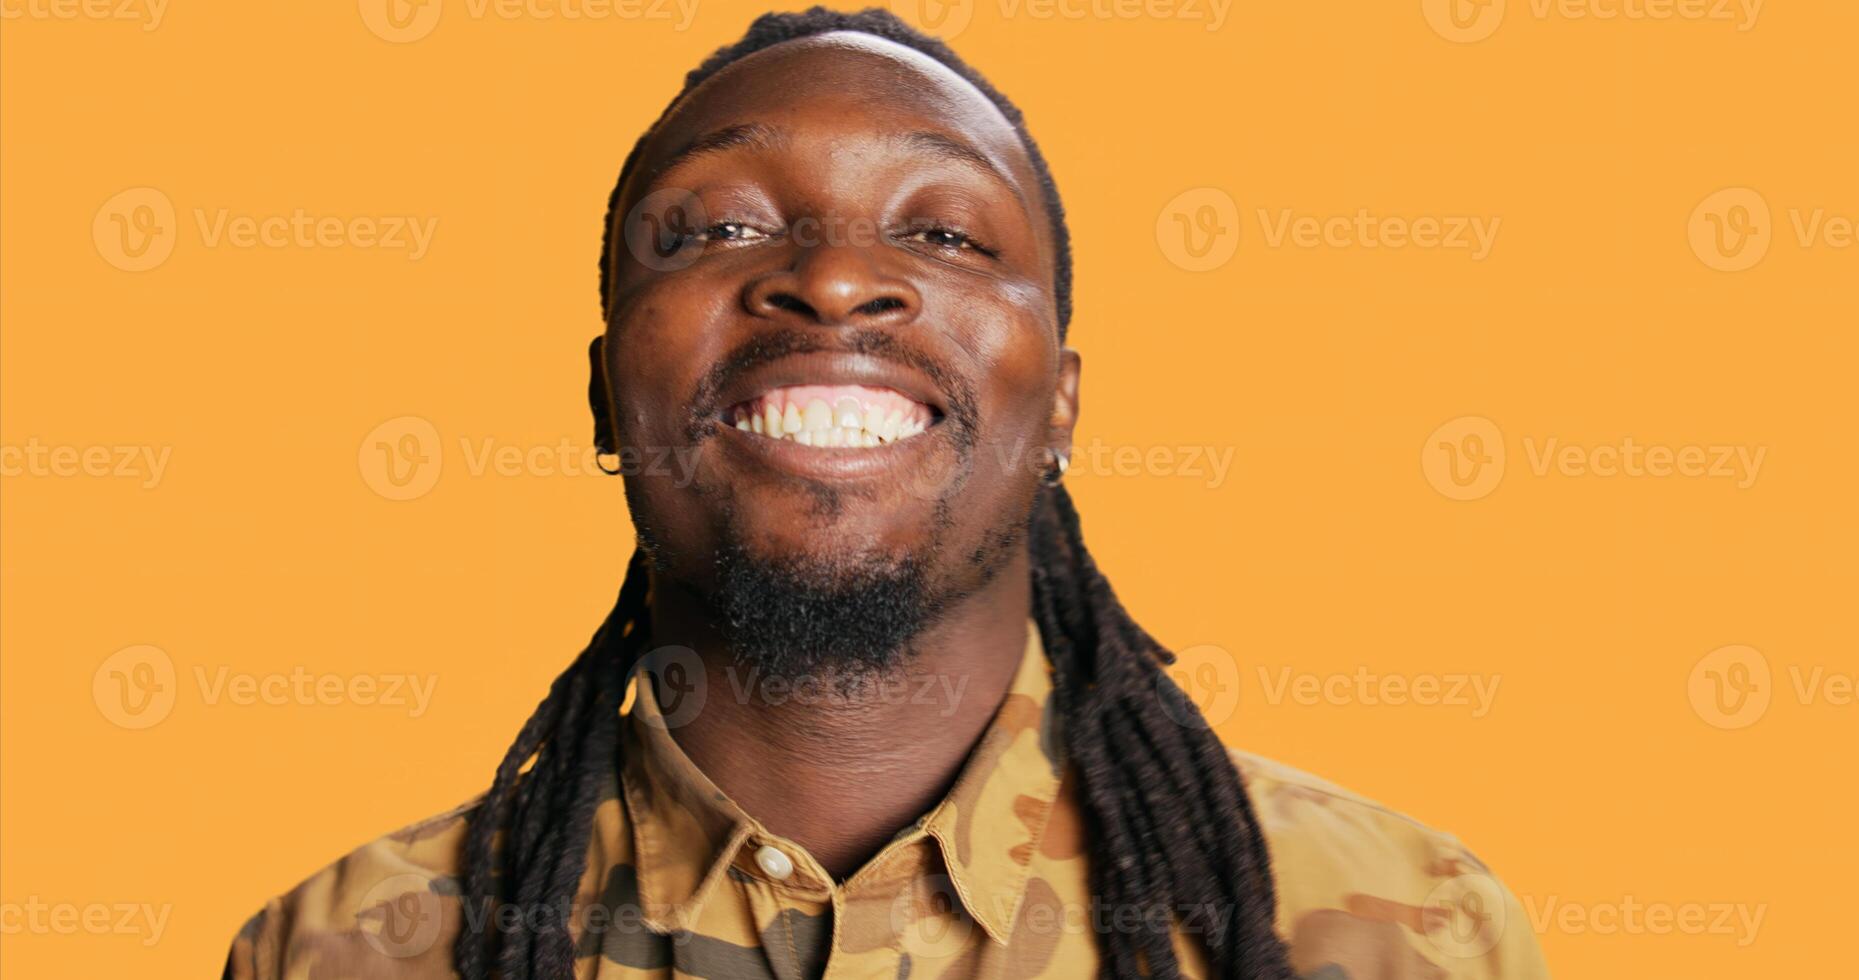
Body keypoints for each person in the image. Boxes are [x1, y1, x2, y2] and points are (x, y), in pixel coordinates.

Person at [225, 8, 1549, 978]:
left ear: (1062, 406)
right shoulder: (336, 951)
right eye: (718, 227)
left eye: (946, 233)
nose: (836, 279)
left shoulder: (1407, 930)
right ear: (604, 396)